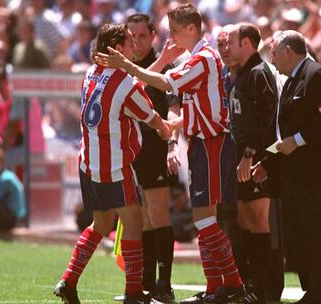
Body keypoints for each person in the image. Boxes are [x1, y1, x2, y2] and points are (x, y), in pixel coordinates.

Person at [95, 4, 245, 304]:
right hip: (201, 142)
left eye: (175, 30)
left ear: (191, 29)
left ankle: (233, 284)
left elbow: (165, 83)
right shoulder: (196, 58)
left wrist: (127, 65)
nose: (171, 35)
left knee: (203, 219)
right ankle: (216, 286)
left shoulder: (202, 58)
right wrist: (173, 125)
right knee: (202, 219)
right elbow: (192, 106)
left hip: (213, 142)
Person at [53, 23, 172, 304]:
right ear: (117, 48)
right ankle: (133, 292)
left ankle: (68, 280)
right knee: (133, 223)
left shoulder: (91, 73)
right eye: (130, 42)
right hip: (116, 165)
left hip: (89, 163)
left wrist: (161, 61)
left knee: (100, 223)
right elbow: (149, 115)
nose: (135, 47)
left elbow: (124, 93)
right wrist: (166, 128)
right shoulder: (125, 83)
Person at [253, 30, 321, 304]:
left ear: (288, 51)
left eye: (274, 51)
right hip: (295, 173)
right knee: (300, 234)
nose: (271, 57)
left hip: (315, 172)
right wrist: (266, 161)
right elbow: (283, 136)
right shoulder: (291, 81)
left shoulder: (317, 75)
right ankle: (313, 290)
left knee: (316, 231)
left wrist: (299, 140)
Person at [126, 13, 179, 302]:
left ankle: (165, 285)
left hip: (155, 148)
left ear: (153, 36)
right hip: (132, 151)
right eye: (131, 36)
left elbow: (174, 108)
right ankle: (145, 284)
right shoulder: (126, 65)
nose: (136, 41)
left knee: (157, 214)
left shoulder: (165, 67)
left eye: (142, 36)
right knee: (143, 218)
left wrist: (171, 144)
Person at [225, 23, 278, 304]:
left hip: (256, 159)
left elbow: (266, 118)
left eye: (231, 41)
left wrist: (250, 154)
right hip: (240, 158)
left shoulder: (259, 73)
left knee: (258, 220)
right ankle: (248, 286)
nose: (227, 47)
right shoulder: (240, 74)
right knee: (244, 219)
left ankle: (263, 289)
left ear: (246, 42)